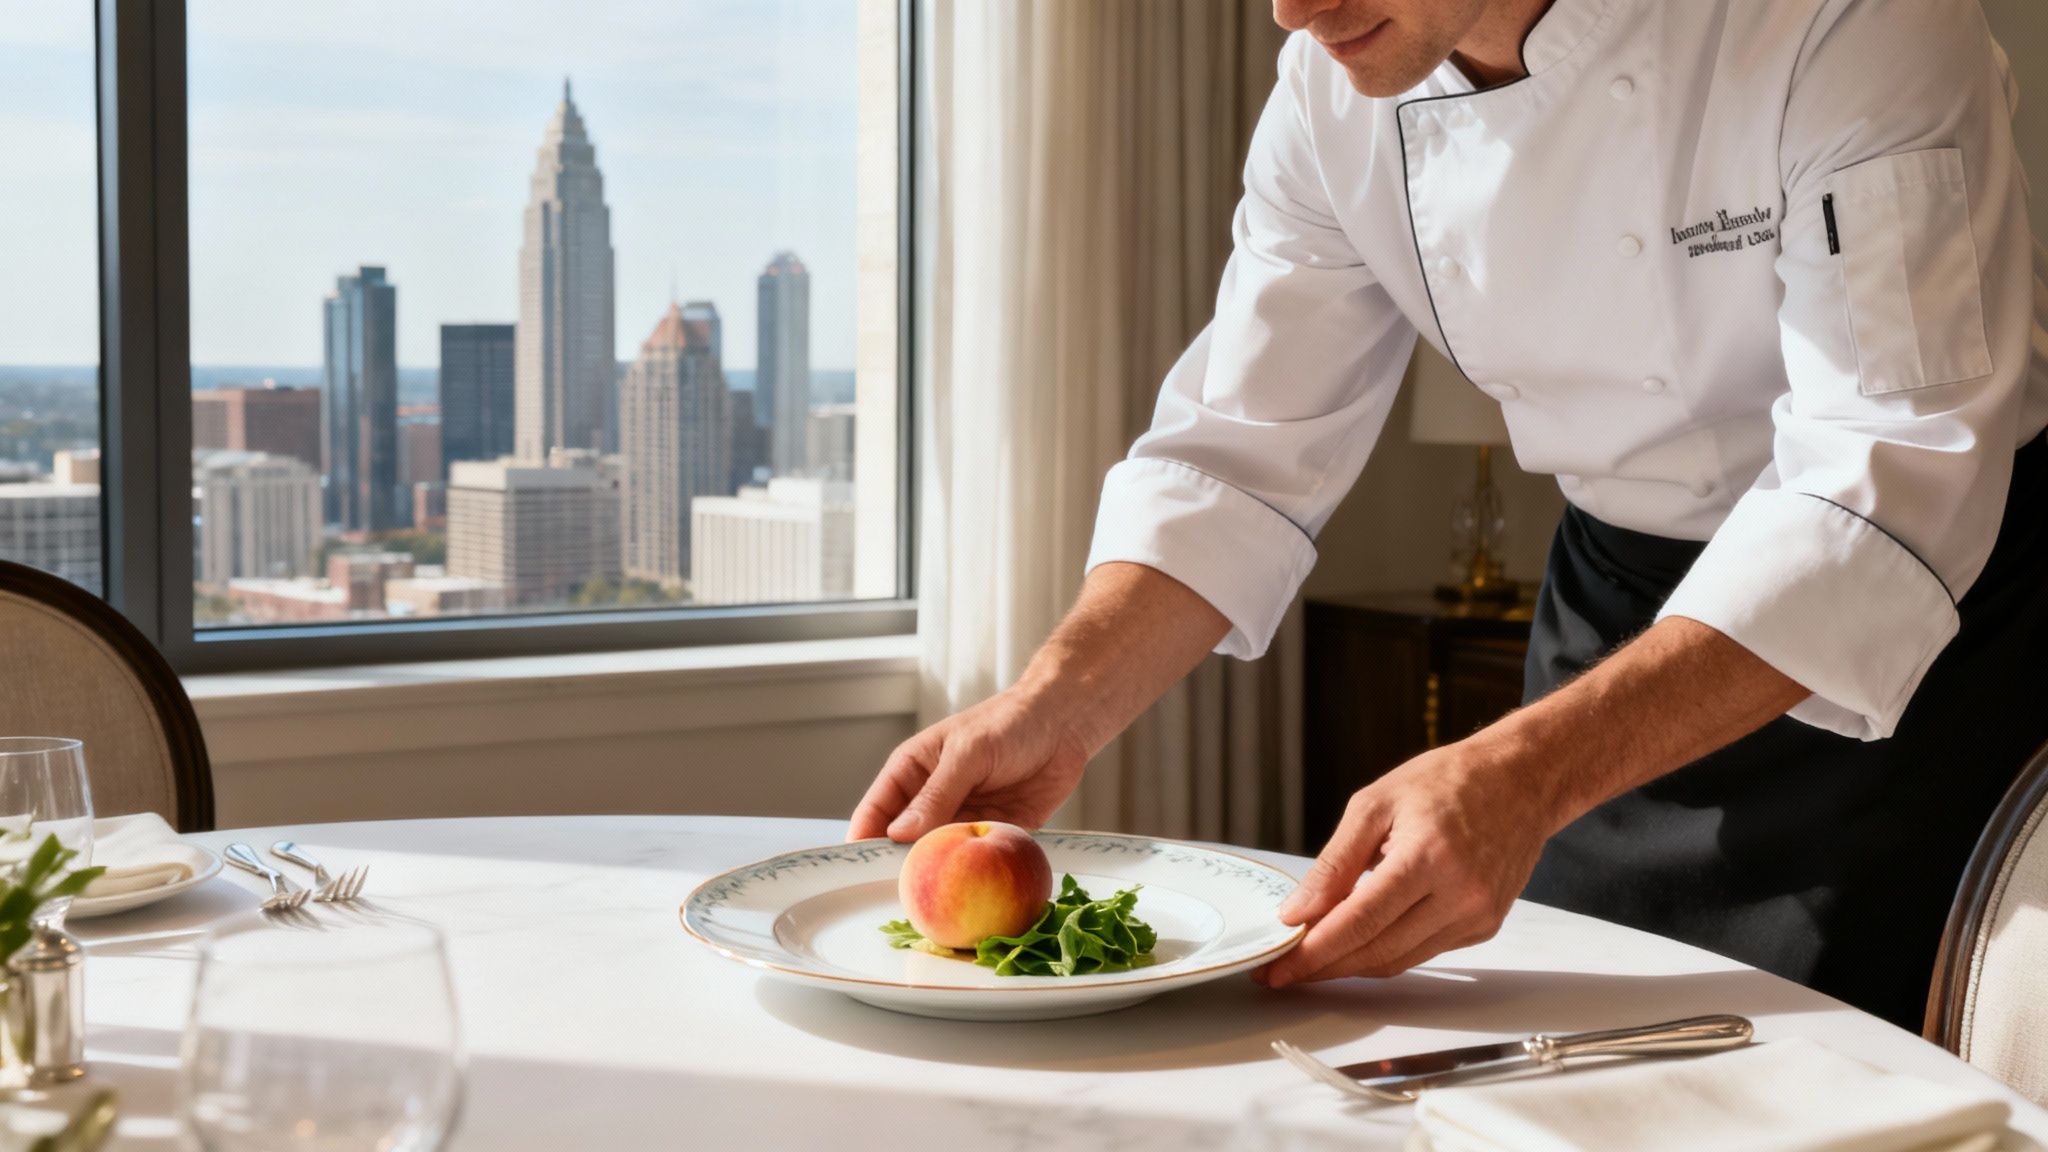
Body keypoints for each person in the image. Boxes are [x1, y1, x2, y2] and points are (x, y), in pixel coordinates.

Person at [849, 0, 2048, 1030]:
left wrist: (1520, 775)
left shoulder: (1847, 20)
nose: (1288, 8)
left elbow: (1879, 478)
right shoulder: (1327, 99)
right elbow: (1237, 458)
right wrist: (1049, 707)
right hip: (1619, 615)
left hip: (1926, 642)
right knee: (1565, 1059)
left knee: (1856, 1084)